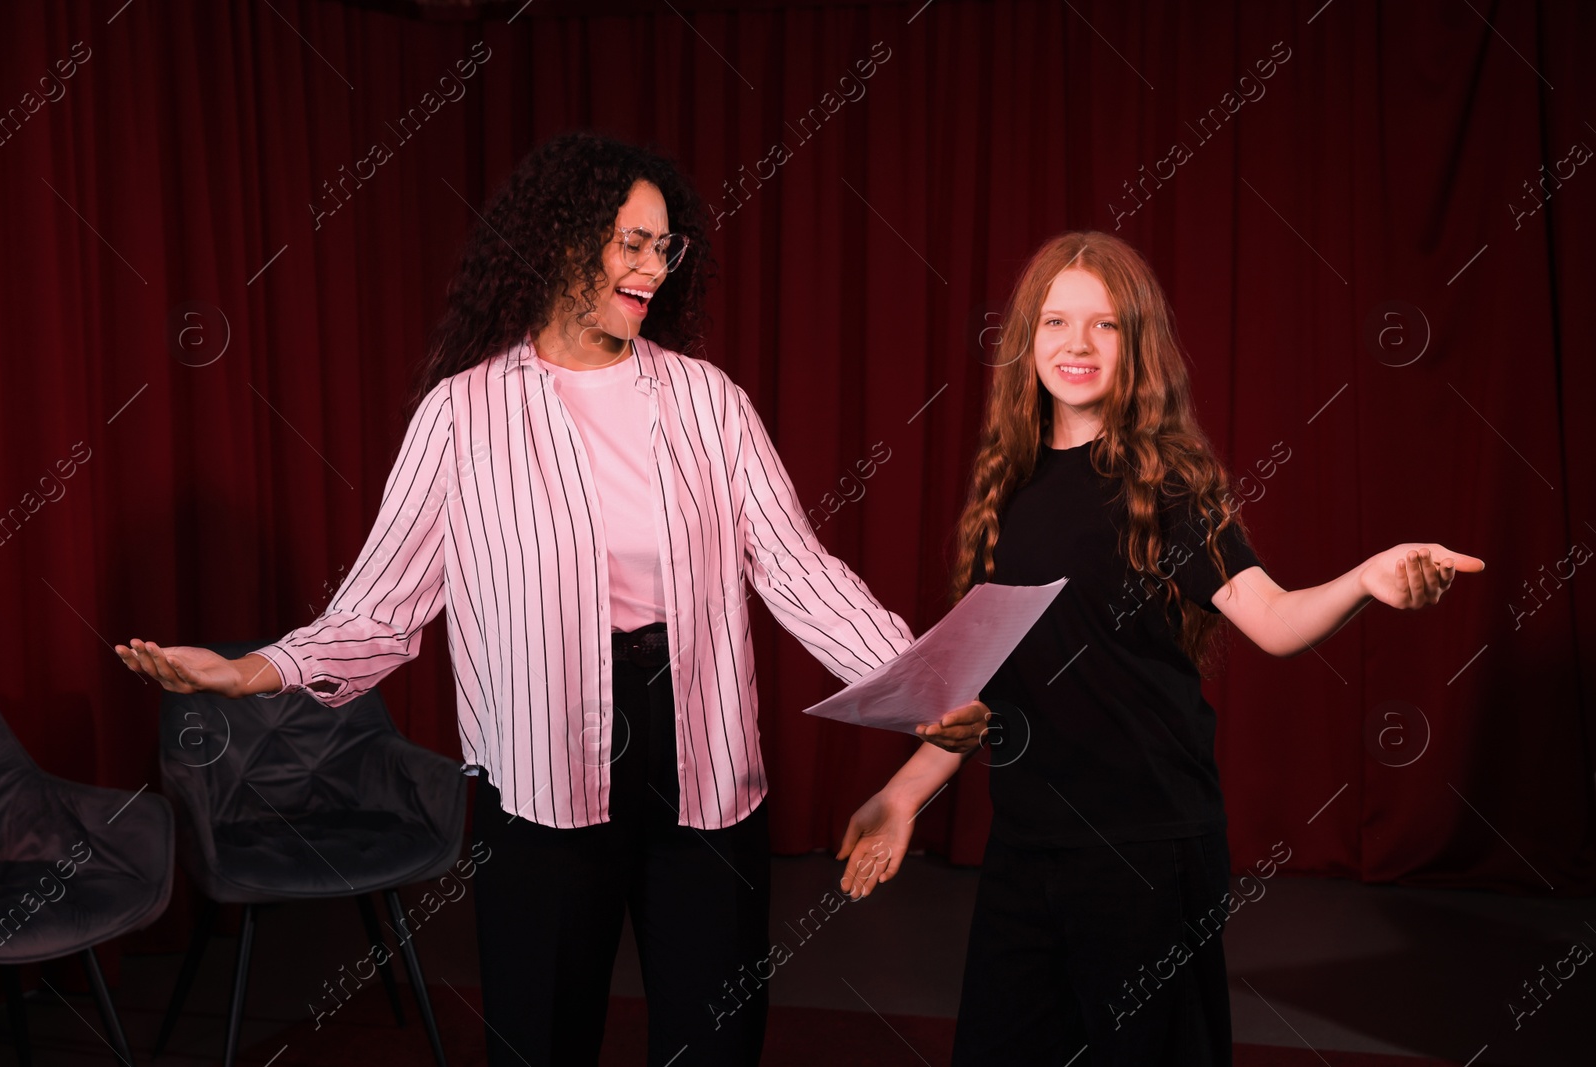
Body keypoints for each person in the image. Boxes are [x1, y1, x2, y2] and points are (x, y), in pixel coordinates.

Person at [116, 131, 986, 1067]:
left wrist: (919, 682)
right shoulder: (464, 414)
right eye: (629, 241)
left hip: (704, 761)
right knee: (540, 1040)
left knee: (718, 1037)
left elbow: (796, 567)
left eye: (665, 245)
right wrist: (254, 672)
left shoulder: (709, 401)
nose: (651, 266)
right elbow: (382, 605)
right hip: (538, 780)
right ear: (562, 239)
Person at [835, 230, 1483, 1066]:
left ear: (1136, 344)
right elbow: (982, 684)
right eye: (1057, 322)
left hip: (1147, 849)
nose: (1077, 344)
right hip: (1028, 847)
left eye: (1103, 325)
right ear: (1026, 341)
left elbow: (1274, 621)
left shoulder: (1166, 482)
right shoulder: (1007, 488)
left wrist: (1365, 579)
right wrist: (902, 792)